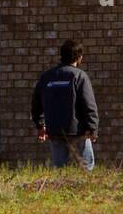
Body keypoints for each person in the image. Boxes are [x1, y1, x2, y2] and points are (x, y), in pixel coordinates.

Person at [31, 39, 99, 170]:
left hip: (55, 130)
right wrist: (93, 129)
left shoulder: (47, 77)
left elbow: (36, 103)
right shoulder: (79, 76)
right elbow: (89, 105)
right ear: (79, 57)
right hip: (78, 132)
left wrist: (40, 125)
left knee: (59, 170)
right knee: (86, 169)